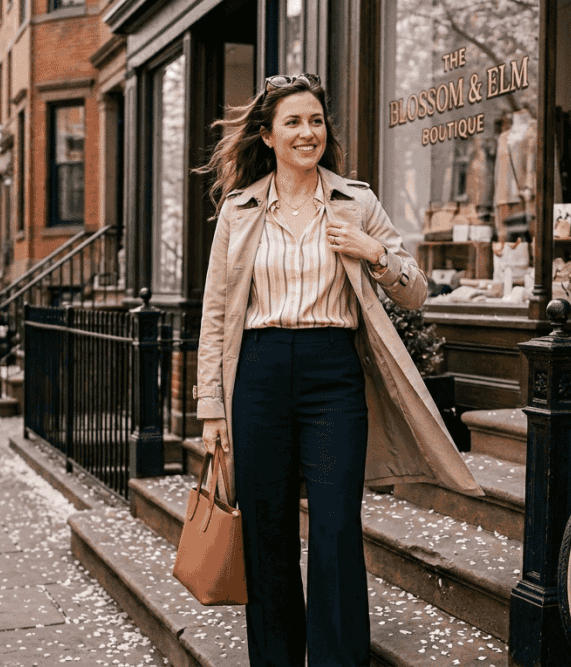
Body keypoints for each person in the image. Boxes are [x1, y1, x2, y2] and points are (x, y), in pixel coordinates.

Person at [194, 73, 482, 667]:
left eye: (316, 121)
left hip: (334, 375)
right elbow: (217, 314)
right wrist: (211, 409)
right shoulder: (240, 211)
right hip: (260, 374)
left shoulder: (358, 201)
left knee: (336, 532)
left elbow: (417, 292)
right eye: (293, 122)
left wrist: (373, 252)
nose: (307, 132)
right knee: (268, 535)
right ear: (269, 136)